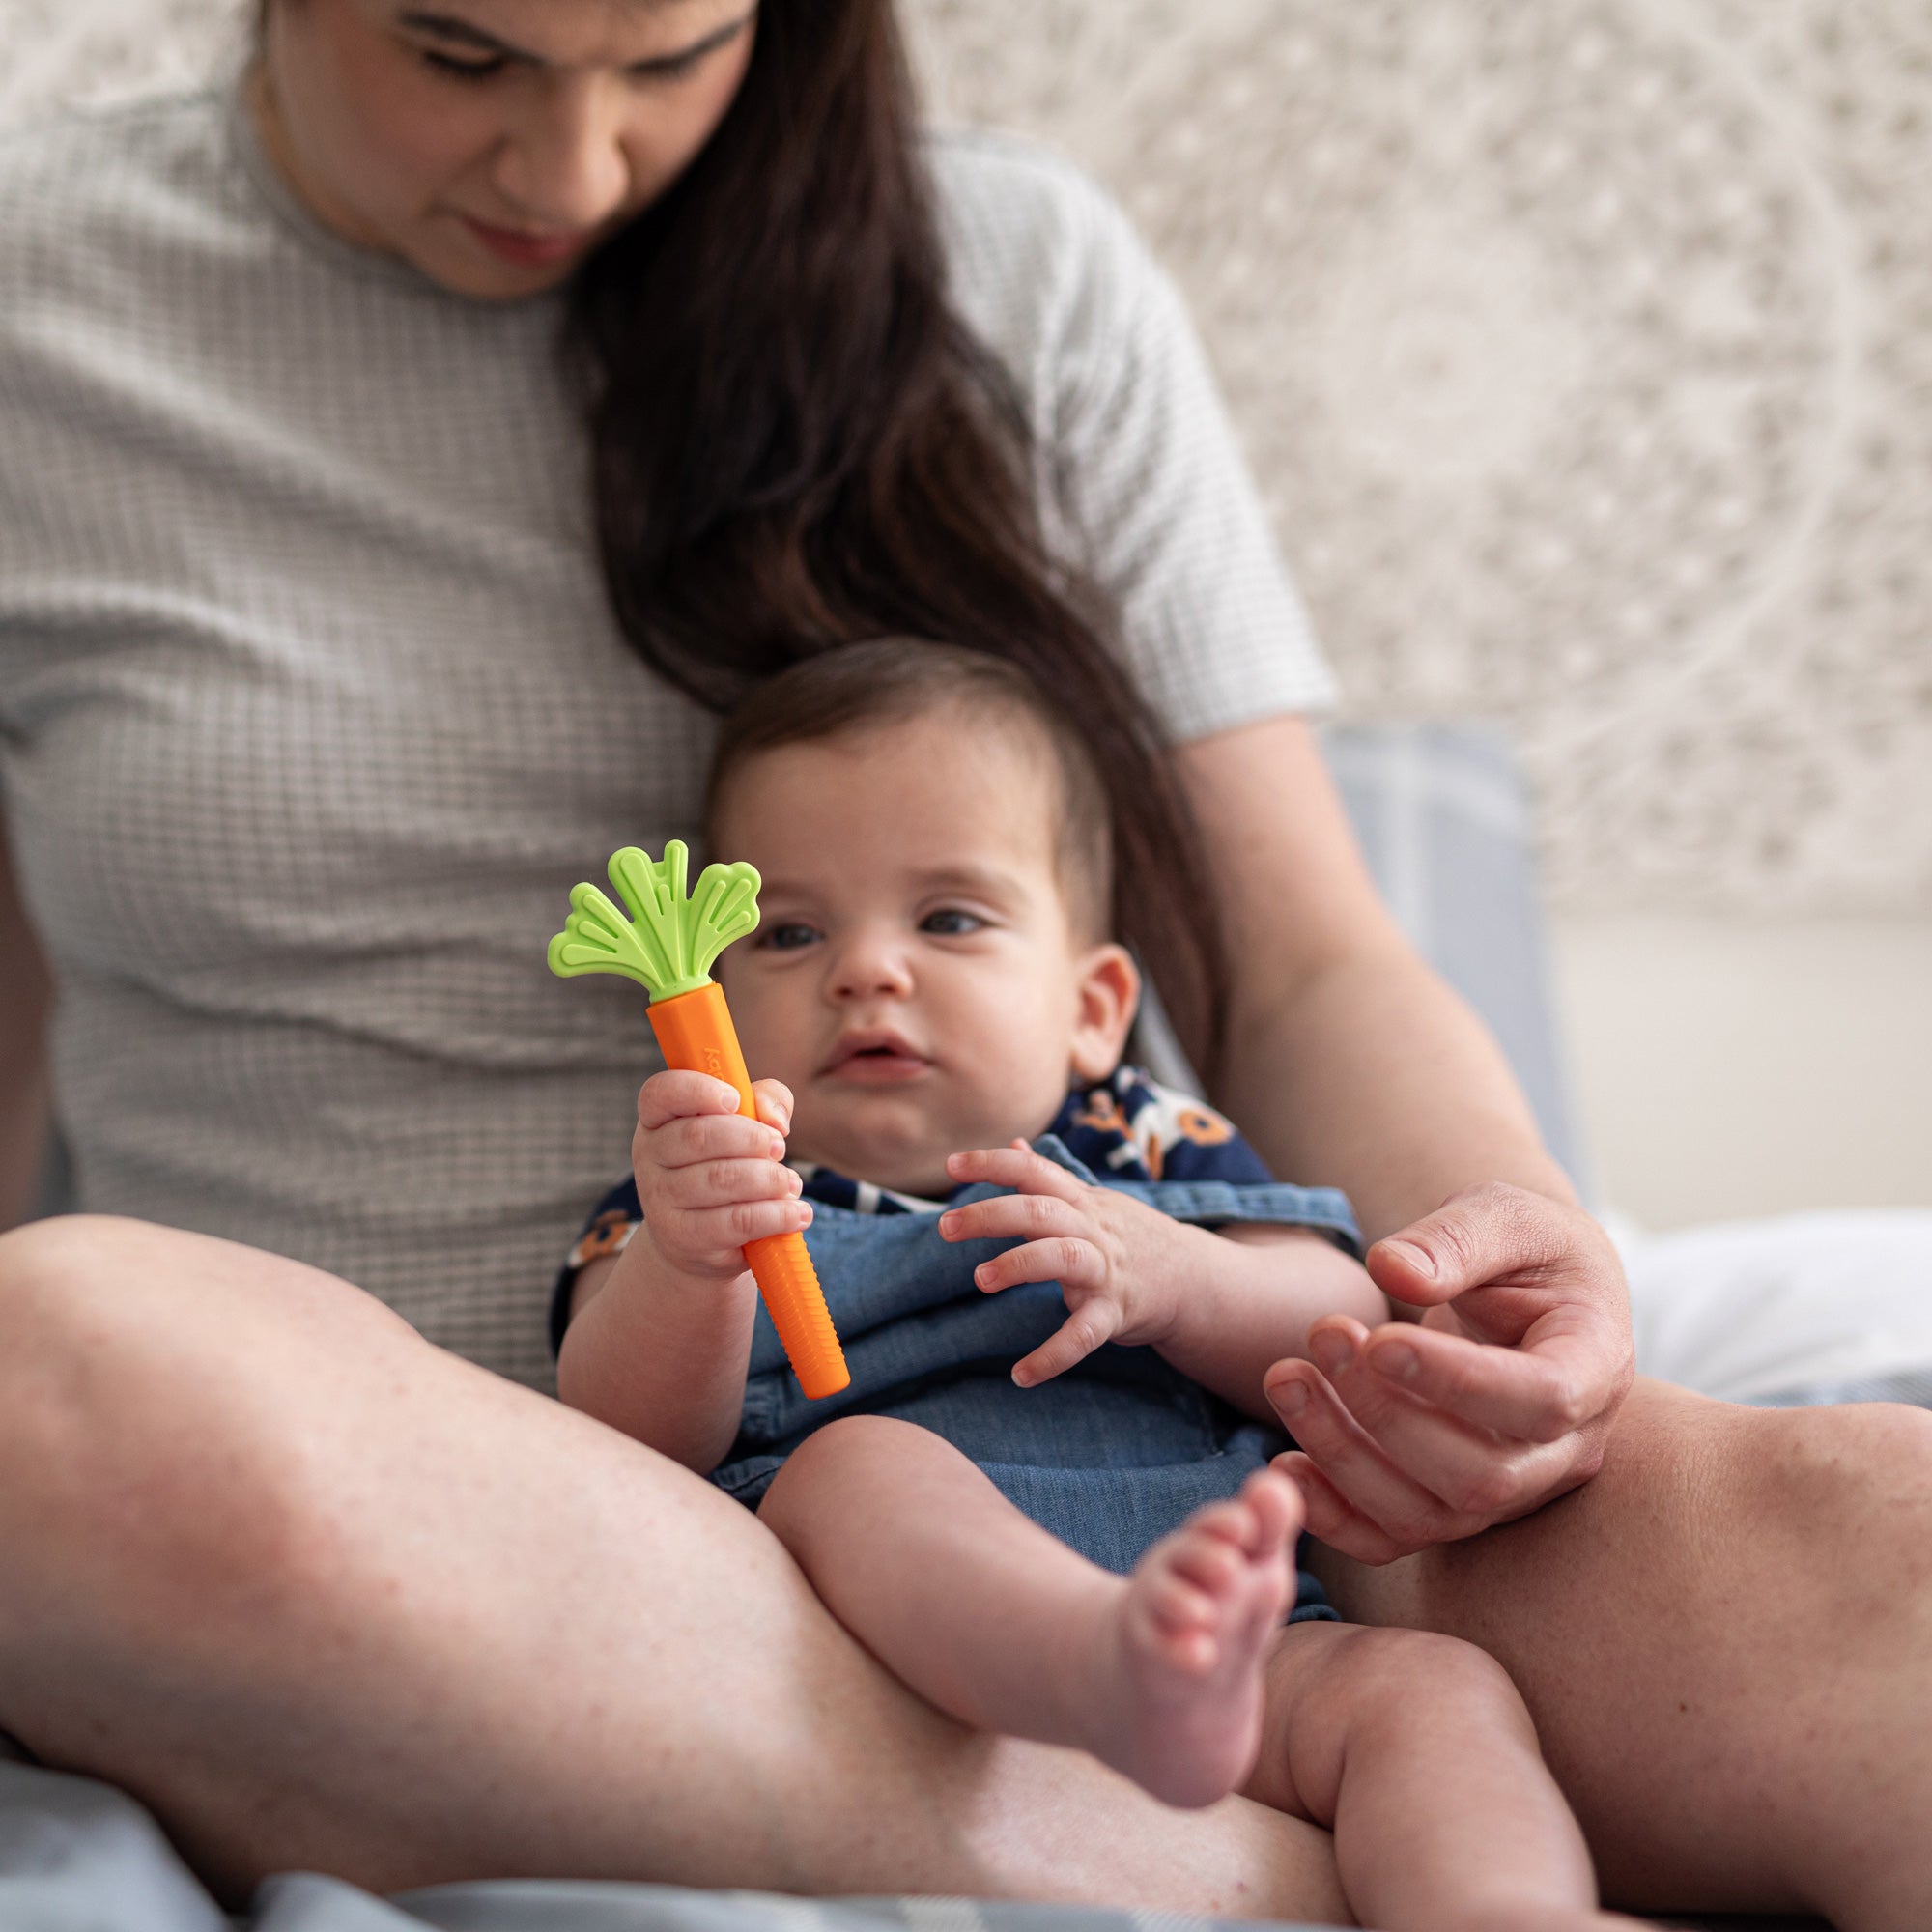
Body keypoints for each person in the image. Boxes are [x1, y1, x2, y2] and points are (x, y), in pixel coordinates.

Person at [0, 0, 1926, 1923]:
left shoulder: (1022, 275)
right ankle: (1242, 1869)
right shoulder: (40, 299)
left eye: (675, 55)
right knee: (44, 1386)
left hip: (1229, 1465)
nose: (574, 168)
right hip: (501, 1517)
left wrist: (1513, 1258)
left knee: (1880, 1555)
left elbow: (1301, 966)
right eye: (462, 52)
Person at [556, 638, 1634, 1932]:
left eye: (948, 918)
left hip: (1235, 1637)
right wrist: (688, 1261)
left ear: (1092, 1007)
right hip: (899, 1681)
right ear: (720, 997)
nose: (865, 971)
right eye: (790, 933)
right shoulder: (704, 1189)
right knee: (858, 1471)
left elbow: (1336, 1328)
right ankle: (1097, 1663)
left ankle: (1507, 1912)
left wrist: (1176, 1274)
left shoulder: (1142, 1147)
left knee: (1434, 1695)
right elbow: (617, 1445)